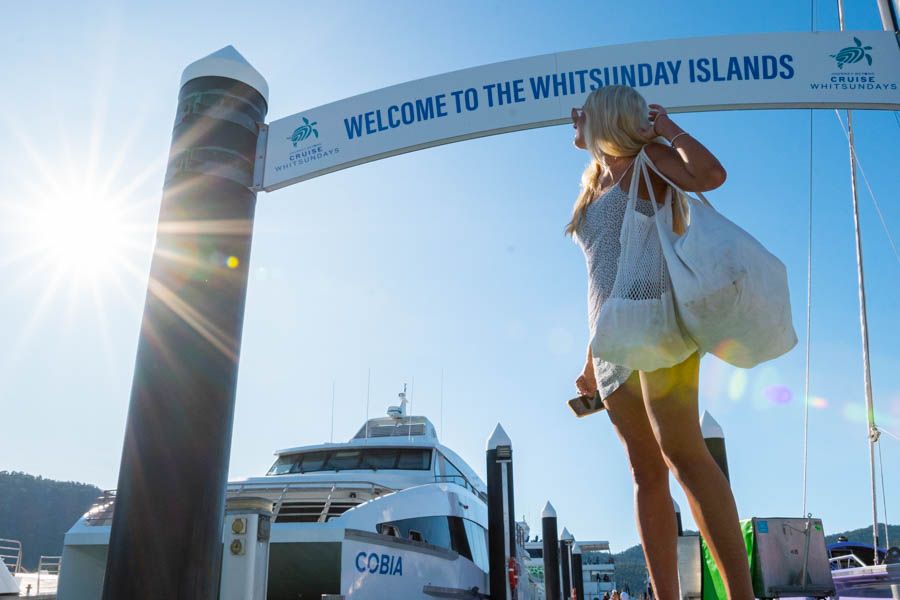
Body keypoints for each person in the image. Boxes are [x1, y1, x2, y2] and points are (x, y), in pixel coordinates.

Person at [568, 85, 753, 600]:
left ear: (606, 118)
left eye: (581, 112)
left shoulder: (645, 159)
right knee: (645, 472)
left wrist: (667, 128)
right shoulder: (591, 186)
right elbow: (602, 278)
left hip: (657, 325)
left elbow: (711, 176)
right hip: (612, 344)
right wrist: (589, 357)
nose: (573, 119)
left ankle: (742, 594)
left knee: (684, 453)